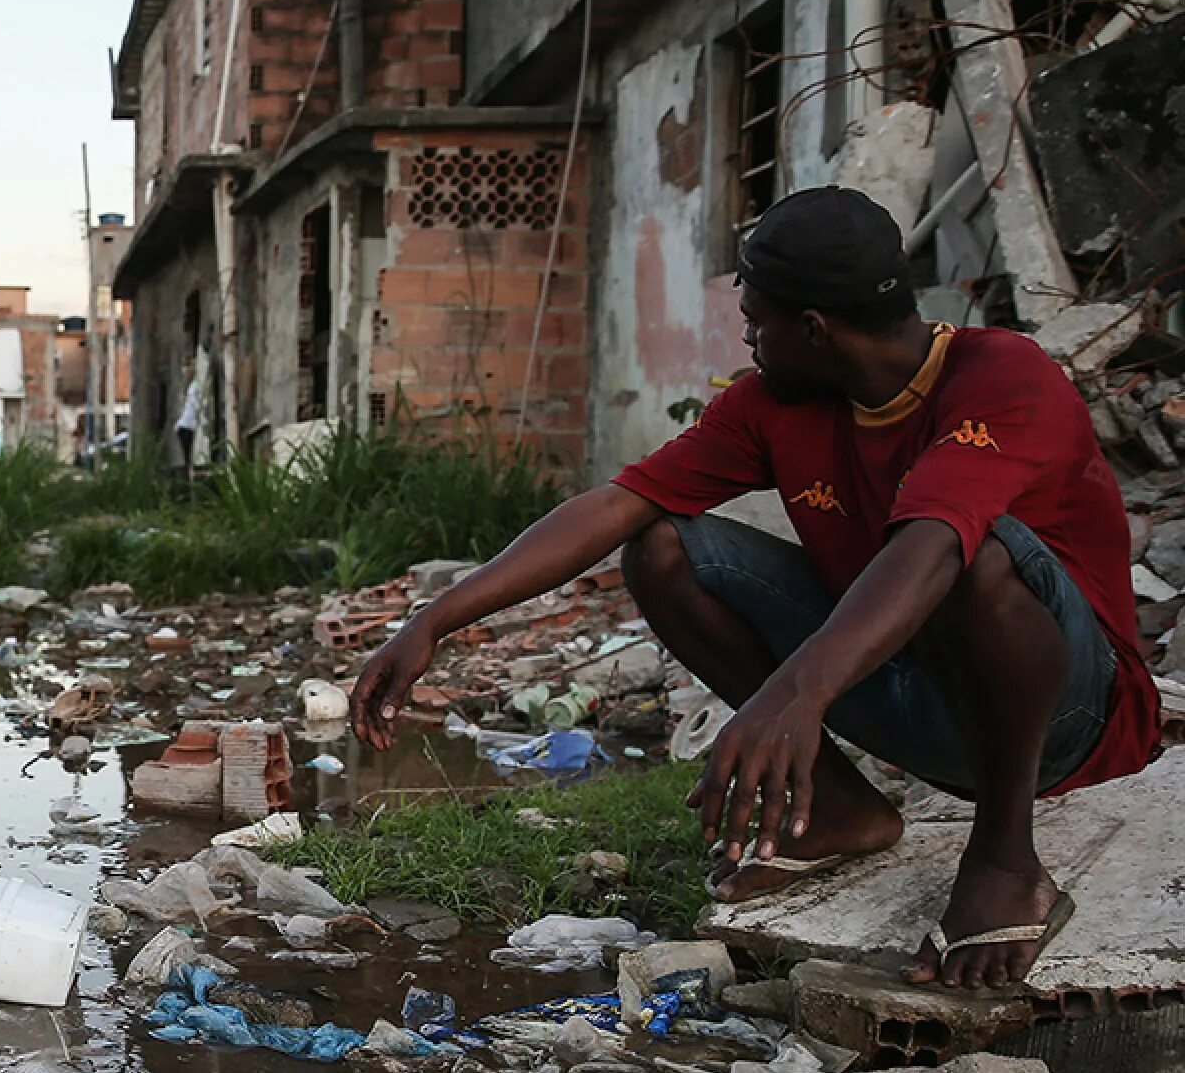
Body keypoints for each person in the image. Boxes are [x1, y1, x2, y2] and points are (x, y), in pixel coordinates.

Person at [351, 186, 1159, 993]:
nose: (744, 333)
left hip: (1066, 721)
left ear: (812, 329)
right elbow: (616, 506)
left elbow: (935, 544)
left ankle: (1005, 860)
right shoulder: (777, 406)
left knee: (973, 551)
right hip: (917, 690)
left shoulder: (1003, 376)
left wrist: (795, 693)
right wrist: (435, 620)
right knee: (662, 549)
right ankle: (842, 815)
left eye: (756, 315)